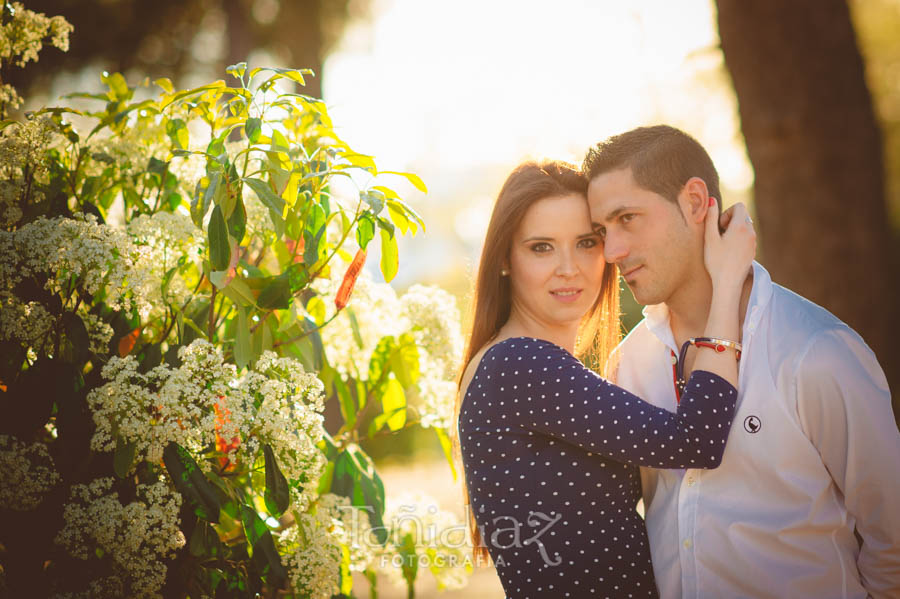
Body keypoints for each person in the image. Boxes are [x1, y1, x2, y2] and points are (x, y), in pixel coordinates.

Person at [583, 124, 900, 599]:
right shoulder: (627, 363)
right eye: (602, 231)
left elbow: (892, 538)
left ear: (694, 203)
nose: (612, 252)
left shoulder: (816, 351)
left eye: (627, 218)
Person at [453, 160, 756, 597]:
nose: (569, 268)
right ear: (504, 258)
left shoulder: (524, 366)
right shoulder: (521, 366)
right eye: (542, 247)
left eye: (586, 243)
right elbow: (696, 441)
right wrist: (726, 283)